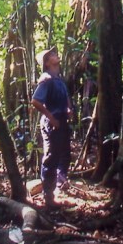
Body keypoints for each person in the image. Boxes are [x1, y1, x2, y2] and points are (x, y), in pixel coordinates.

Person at [31, 47, 72, 208]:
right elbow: (35, 101)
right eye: (52, 55)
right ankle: (48, 196)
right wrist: (51, 117)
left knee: (65, 154)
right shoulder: (46, 79)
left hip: (62, 121)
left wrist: (68, 109)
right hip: (52, 123)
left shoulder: (58, 79)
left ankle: (60, 184)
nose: (56, 56)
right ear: (47, 63)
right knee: (51, 157)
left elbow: (66, 97)